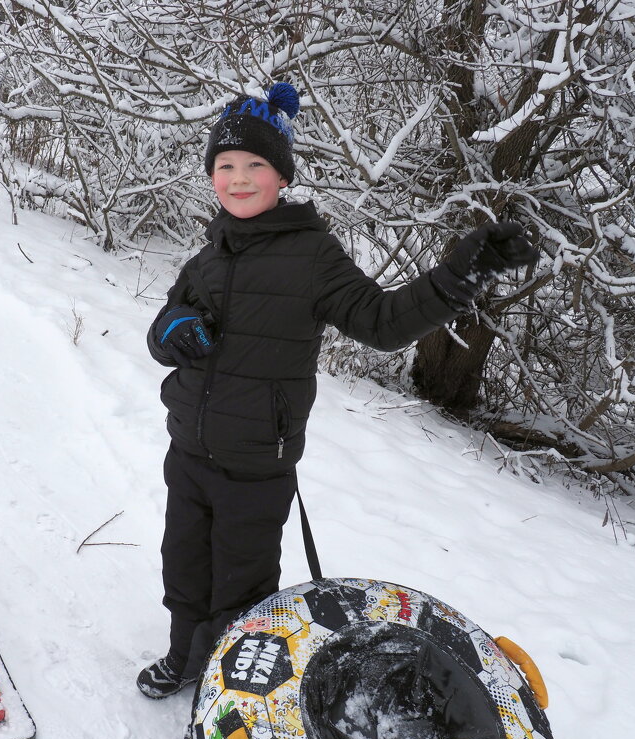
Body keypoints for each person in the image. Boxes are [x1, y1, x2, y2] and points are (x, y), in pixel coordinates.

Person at [137, 82, 537, 699]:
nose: (237, 179)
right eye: (224, 166)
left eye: (254, 166)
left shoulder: (313, 255)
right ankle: (182, 656)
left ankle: (229, 683)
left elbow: (381, 322)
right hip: (187, 452)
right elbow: (161, 331)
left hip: (256, 466)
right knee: (184, 567)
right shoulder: (209, 255)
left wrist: (458, 279)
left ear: (282, 176)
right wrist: (175, 333)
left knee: (241, 584)